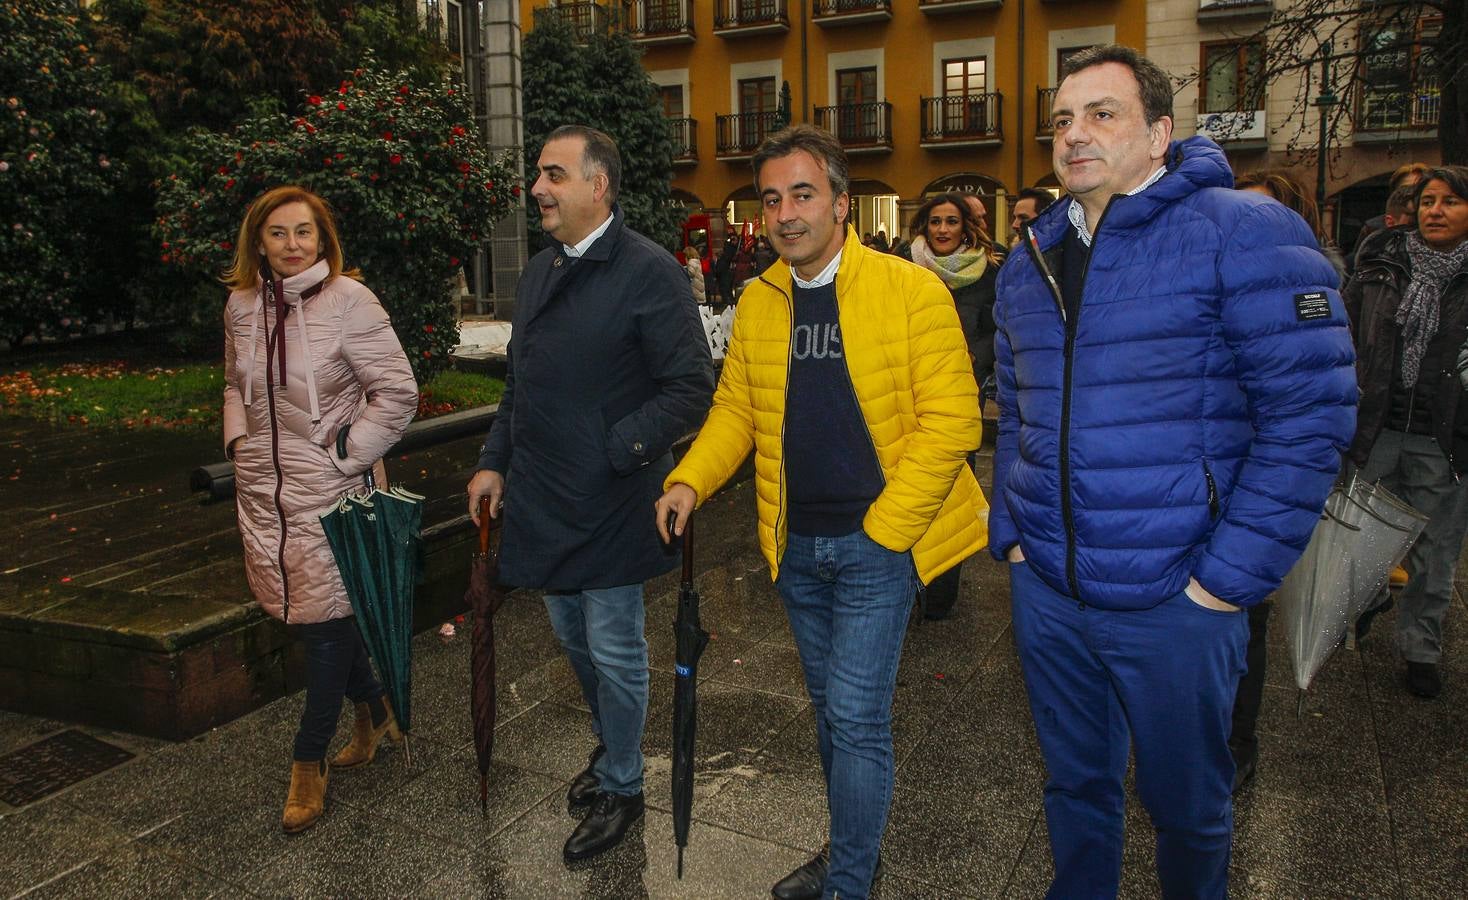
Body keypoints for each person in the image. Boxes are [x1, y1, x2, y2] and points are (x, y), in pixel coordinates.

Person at [991, 44, 1357, 897]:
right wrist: (1012, 534)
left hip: (1176, 600)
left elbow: (1311, 417)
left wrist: (1225, 583)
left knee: (1188, 807)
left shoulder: (1242, 229)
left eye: (1101, 114)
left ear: (1160, 134)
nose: (1074, 134)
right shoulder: (1032, 256)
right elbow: (1016, 404)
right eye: (1062, 119)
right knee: (1075, 789)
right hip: (1050, 586)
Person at [655, 124, 987, 900]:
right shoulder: (762, 298)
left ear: (842, 203)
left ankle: (848, 882)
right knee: (832, 715)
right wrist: (688, 482)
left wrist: (887, 531)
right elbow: (737, 407)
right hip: (795, 547)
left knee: (856, 718)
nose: (785, 213)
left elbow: (954, 423)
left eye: (803, 194)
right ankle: (850, 853)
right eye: (772, 198)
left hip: (879, 545)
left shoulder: (911, 290)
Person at [466, 125, 714, 861]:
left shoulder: (649, 272)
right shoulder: (541, 271)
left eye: (554, 175)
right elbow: (521, 383)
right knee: (572, 639)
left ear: (598, 185)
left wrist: (616, 449)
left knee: (613, 647)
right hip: (542, 499)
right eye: (538, 175)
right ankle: (612, 749)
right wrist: (493, 461)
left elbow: (691, 388)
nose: (538, 188)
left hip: (610, 500)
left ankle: (626, 786)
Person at [222, 185, 419, 833]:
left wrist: (347, 455)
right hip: (265, 494)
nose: (291, 245)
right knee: (316, 619)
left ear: (323, 239)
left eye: (303, 232)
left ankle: (308, 766)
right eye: (277, 233)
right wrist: (239, 442)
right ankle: (377, 710)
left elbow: (395, 391)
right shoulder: (242, 305)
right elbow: (233, 384)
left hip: (333, 494)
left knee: (328, 628)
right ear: (259, 241)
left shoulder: (350, 303)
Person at [1226, 169, 1350, 793]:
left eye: (1257, 215)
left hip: (1260, 480)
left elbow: (1310, 413)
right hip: (1204, 479)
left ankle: (1236, 741)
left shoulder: (1307, 291)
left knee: (1242, 615)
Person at [1345, 165, 1468, 700]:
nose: (1435, 211)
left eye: (1450, 202)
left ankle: (1421, 649)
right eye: (1427, 201)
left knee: (1435, 554)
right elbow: (1346, 332)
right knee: (1361, 540)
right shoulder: (1381, 261)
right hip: (1378, 428)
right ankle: (1368, 603)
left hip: (1444, 439)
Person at [905, 191, 999, 620]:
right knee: (909, 488)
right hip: (909, 395)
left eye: (951, 221)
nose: (942, 229)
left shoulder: (988, 273)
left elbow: (997, 330)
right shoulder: (903, 268)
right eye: (935, 221)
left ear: (966, 227)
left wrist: (969, 357)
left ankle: (942, 593)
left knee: (951, 488)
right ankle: (905, 587)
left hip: (962, 392)